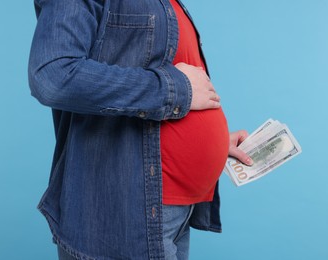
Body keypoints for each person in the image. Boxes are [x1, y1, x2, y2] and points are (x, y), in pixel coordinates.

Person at [28, 0, 252, 259]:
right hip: (129, 214)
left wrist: (212, 141)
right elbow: (53, 75)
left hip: (176, 211)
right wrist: (177, 89)